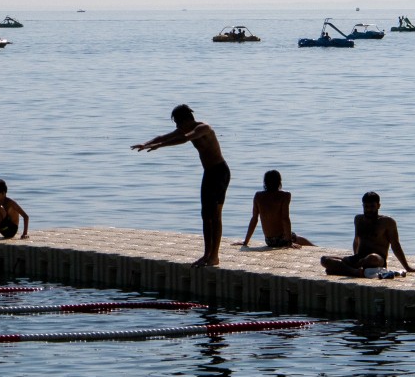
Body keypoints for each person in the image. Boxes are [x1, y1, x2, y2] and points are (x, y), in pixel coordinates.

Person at [132, 104, 230, 267]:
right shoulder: (186, 129)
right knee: (206, 215)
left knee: (215, 214)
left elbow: (185, 139)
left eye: (178, 123)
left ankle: (213, 256)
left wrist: (159, 146)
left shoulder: (203, 128)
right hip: (210, 173)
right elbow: (163, 136)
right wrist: (146, 144)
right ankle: (207, 255)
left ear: (186, 120)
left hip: (219, 172)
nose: (177, 127)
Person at [321, 192, 412, 276]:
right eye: (366, 206)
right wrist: (354, 257)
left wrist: (407, 267)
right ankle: (354, 271)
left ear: (378, 206)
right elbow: (356, 240)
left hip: (377, 260)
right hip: (359, 258)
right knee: (324, 260)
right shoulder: (358, 219)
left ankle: (346, 269)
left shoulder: (387, 222)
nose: (369, 209)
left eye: (372, 206)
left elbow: (395, 245)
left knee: (372, 258)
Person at [241, 170, 313, 249]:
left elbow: (254, 219)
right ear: (279, 182)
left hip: (269, 241)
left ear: (265, 182)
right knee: (302, 240)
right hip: (282, 239)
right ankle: (318, 249)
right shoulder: (285, 195)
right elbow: (285, 218)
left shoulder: (258, 196)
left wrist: (246, 242)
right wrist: (289, 242)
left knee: (298, 238)